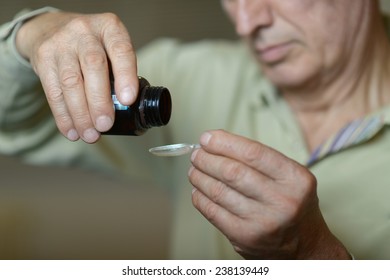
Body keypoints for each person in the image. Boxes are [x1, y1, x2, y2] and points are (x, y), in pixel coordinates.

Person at [1, 0, 389, 259]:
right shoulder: (197, 76)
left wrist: (315, 254)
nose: (246, 22)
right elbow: (15, 121)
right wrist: (32, 34)